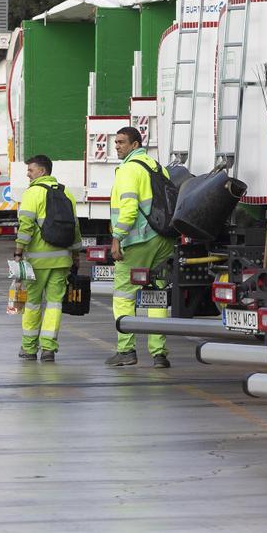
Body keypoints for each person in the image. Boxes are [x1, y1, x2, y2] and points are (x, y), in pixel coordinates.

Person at [107, 127, 173, 368]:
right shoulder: (158, 167)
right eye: (116, 142)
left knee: (124, 296)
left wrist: (117, 237)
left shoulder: (128, 169)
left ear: (135, 145)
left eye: (122, 142)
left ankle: (126, 350)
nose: (117, 146)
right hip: (163, 239)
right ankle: (159, 354)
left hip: (138, 241)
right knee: (157, 296)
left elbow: (129, 207)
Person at [14, 155, 82, 362]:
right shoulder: (66, 193)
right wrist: (76, 254)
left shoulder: (32, 193)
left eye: (31, 170)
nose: (28, 173)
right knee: (54, 305)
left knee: (32, 304)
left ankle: (28, 348)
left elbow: (25, 226)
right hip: (62, 260)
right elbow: (75, 227)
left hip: (37, 262)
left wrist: (18, 252)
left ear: (42, 171)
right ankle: (49, 349)